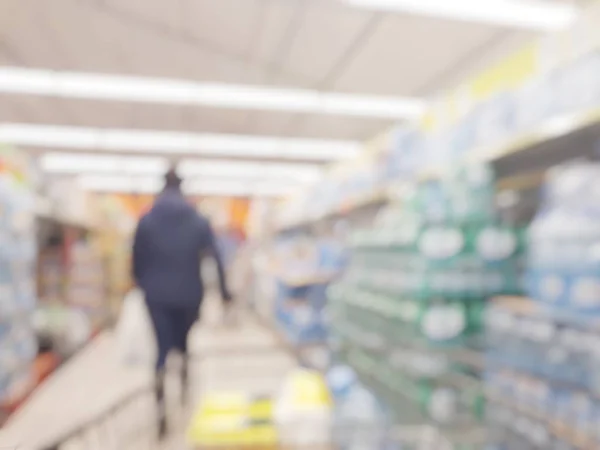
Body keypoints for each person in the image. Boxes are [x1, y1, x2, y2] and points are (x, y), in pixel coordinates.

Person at [132, 166, 232, 439]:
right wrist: (224, 292)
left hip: (157, 296)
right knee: (185, 343)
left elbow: (136, 261)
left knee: (161, 350)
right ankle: (186, 390)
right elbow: (215, 255)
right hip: (189, 294)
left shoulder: (147, 220)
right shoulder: (197, 219)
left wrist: (143, 284)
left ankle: (162, 409)